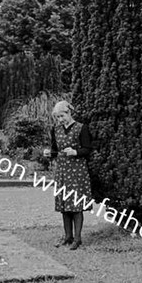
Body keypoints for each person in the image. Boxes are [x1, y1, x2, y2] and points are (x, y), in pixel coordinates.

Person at [44, 101, 93, 250]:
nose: (60, 120)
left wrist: (75, 152)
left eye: (62, 116)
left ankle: (77, 239)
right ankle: (68, 236)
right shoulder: (56, 129)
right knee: (65, 206)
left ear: (69, 113)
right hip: (62, 171)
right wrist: (48, 154)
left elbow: (88, 149)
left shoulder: (81, 128)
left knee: (76, 206)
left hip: (77, 171)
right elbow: (55, 149)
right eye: (57, 117)